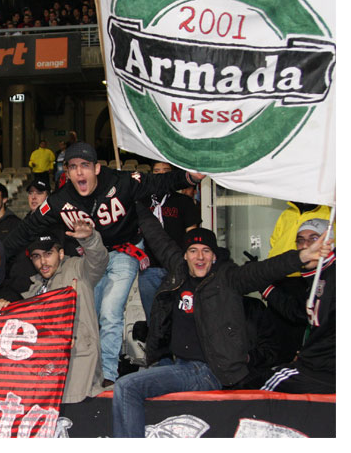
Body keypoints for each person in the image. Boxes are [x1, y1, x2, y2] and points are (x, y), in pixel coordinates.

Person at [111, 203, 331, 437]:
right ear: (185, 255)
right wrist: (134, 200)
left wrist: (302, 256)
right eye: (193, 250)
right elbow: (158, 237)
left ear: (214, 256)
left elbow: (265, 269)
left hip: (207, 371)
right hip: (175, 364)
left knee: (127, 387)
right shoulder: (179, 271)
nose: (200, 256)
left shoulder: (228, 279)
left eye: (206, 251)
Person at [4, 142, 204, 386]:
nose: (79, 172)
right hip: (90, 258)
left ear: (97, 168)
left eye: (85, 166)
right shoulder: (61, 200)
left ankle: (108, 375)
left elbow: (157, 182)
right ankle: (91, 371)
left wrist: (188, 177)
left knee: (110, 311)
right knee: (91, 313)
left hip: (125, 251)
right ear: (67, 172)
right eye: (73, 167)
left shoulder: (121, 182)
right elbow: (26, 229)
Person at [0, 220, 109, 404]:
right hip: (47, 382)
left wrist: (90, 240)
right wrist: (4, 308)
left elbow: (99, 260)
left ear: (61, 253)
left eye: (48, 254)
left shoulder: (77, 269)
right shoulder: (34, 289)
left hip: (79, 375)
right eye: (36, 256)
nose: (43, 262)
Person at [259, 218, 335, 394]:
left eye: (313, 239)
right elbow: (299, 312)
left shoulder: (333, 277)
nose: (305, 246)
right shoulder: (314, 278)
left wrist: (307, 358)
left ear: (328, 242)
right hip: (317, 365)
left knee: (261, 392)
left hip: (322, 370)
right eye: (300, 240)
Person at [137, 161, 201, 320]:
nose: (161, 175)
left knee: (179, 317)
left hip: (177, 267)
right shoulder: (141, 202)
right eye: (156, 171)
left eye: (165, 171)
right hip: (149, 267)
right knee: (153, 317)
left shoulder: (184, 201)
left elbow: (192, 235)